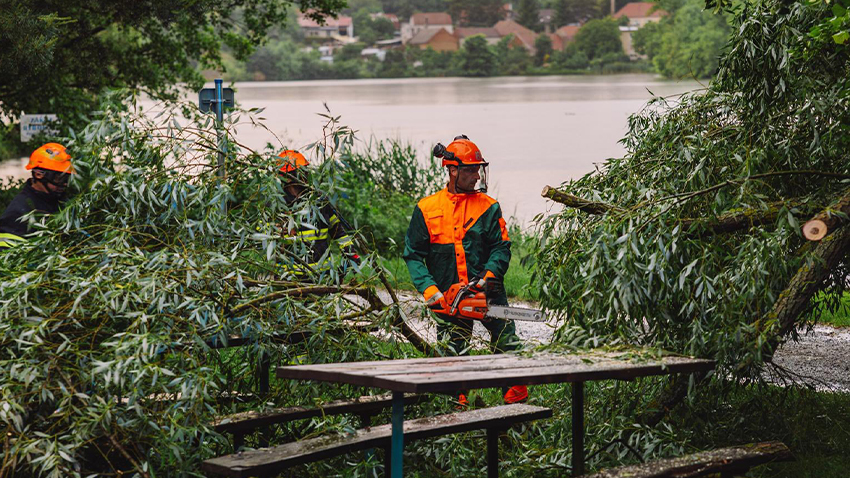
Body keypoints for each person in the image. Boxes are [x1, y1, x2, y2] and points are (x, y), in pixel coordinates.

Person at [403, 135, 527, 406]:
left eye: (478, 169)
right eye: (470, 170)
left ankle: (517, 410)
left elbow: (501, 248)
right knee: (452, 356)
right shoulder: (426, 209)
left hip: (489, 292)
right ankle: (456, 414)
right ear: (452, 170)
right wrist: (431, 291)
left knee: (507, 343)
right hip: (447, 294)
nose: (476, 175)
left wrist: (487, 278)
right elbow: (413, 255)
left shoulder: (488, 207)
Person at [276, 149, 357, 278]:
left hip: (320, 275)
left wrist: (351, 254)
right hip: (289, 278)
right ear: (289, 176)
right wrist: (279, 231)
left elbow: (338, 232)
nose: (305, 174)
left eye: (305, 169)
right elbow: (264, 235)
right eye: (301, 170)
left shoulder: (319, 201)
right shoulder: (277, 204)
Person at [0, 143, 74, 249]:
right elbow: (8, 257)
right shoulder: (18, 213)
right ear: (39, 174)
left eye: (67, 179)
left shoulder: (63, 201)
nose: (65, 184)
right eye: (59, 178)